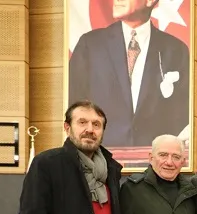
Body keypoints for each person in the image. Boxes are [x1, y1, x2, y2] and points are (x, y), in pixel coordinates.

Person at [69, 0, 190, 147]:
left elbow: (182, 112)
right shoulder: (90, 44)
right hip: (100, 154)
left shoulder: (176, 49)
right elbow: (74, 103)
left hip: (155, 155)